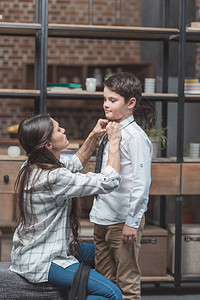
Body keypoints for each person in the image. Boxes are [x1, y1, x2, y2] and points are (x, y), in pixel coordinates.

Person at [10, 114, 123, 300]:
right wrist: (114, 141)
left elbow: (76, 162)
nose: (63, 130)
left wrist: (94, 135)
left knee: (106, 251)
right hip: (43, 261)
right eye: (57, 129)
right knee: (112, 294)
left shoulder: (31, 164)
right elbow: (109, 181)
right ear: (48, 145)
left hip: (35, 251)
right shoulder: (53, 177)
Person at [90, 72, 152, 300]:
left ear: (131, 103)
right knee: (105, 283)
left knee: (127, 283)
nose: (106, 104)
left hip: (122, 221)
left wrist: (132, 222)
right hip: (102, 217)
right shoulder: (111, 130)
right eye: (105, 98)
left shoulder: (135, 137)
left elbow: (141, 181)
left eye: (112, 100)